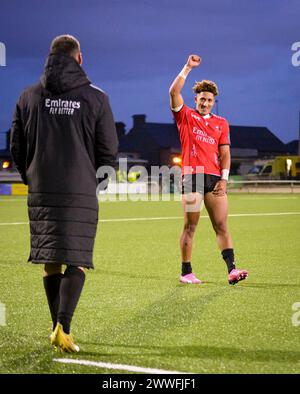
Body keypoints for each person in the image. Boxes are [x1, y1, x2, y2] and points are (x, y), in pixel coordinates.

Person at [10, 35, 118, 352]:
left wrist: (31, 176)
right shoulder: (96, 98)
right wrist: (98, 183)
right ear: (79, 59)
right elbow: (108, 149)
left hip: (41, 189)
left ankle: (56, 327)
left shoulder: (27, 96)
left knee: (50, 261)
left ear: (50, 57)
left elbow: (17, 146)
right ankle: (64, 328)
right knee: (77, 259)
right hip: (80, 189)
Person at [169, 54, 248, 285]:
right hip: (192, 177)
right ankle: (186, 272)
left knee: (222, 225)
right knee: (190, 225)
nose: (205, 103)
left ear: (214, 102)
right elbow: (174, 92)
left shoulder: (221, 123)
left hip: (214, 179)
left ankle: (232, 270)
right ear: (196, 99)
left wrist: (224, 179)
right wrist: (187, 68)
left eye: (209, 100)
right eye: (202, 99)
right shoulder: (185, 116)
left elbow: (225, 153)